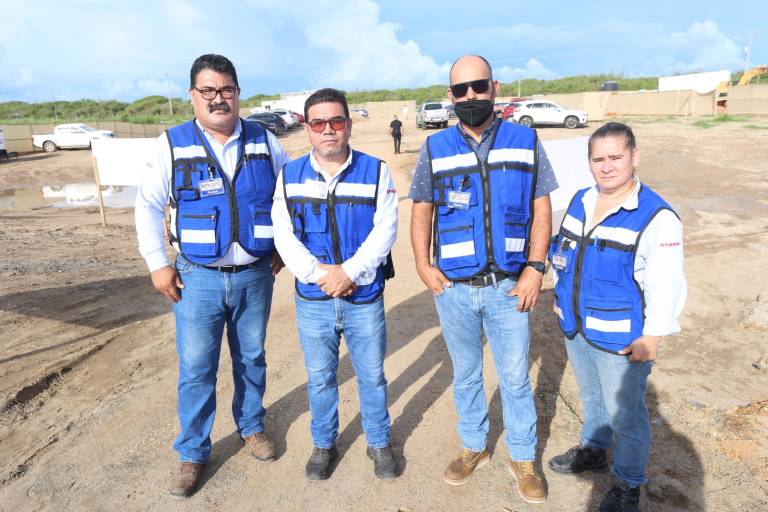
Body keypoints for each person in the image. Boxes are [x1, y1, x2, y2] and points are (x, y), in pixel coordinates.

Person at [134, 54, 289, 499]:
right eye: (208, 91)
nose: (218, 98)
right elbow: (146, 204)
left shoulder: (264, 140)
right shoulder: (172, 143)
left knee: (252, 358)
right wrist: (157, 262)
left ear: (238, 93)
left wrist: (280, 246)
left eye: (226, 90)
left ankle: (252, 427)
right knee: (197, 368)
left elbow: (285, 195)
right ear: (193, 96)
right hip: (196, 278)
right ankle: (193, 451)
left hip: (255, 275)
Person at [409, 54, 558, 505]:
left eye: (477, 87)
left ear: (493, 86)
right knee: (467, 374)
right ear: (450, 96)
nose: (469, 96)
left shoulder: (525, 139)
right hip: (454, 290)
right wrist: (422, 263)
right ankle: (473, 446)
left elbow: (541, 207)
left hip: (509, 287)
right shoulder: (435, 148)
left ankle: (522, 458)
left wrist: (535, 268)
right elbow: (421, 207)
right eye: (460, 90)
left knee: (514, 378)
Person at [547, 122, 686, 512]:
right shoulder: (581, 200)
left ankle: (628, 485)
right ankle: (593, 449)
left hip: (622, 339)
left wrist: (652, 336)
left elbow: (666, 283)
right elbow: (566, 251)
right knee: (592, 397)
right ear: (589, 162)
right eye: (598, 159)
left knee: (626, 416)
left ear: (634, 157)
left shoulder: (657, 217)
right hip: (576, 327)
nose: (606, 167)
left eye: (615, 157)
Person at [271, 88, 399, 481]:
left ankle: (378, 442)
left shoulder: (376, 171)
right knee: (321, 376)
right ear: (308, 129)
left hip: (363, 296)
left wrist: (350, 272)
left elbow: (385, 229)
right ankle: (324, 443)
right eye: (319, 123)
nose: (329, 130)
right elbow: (284, 234)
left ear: (348, 124)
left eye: (336, 121)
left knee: (371, 374)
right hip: (314, 299)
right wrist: (319, 275)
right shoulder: (289, 176)